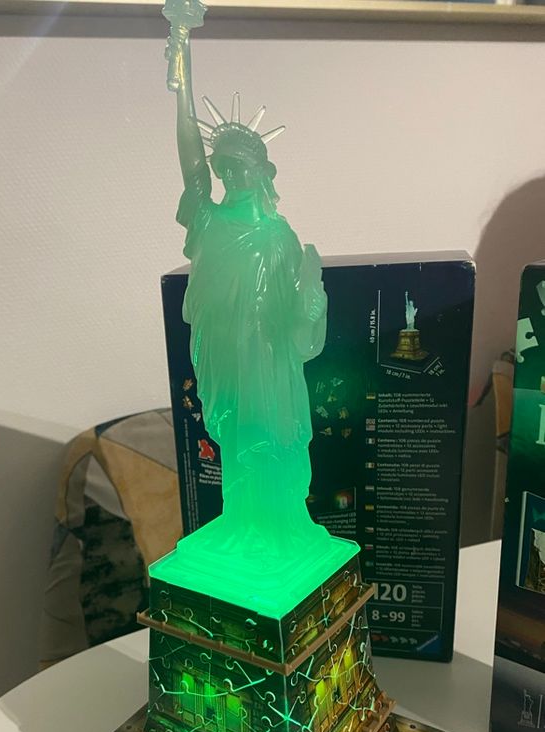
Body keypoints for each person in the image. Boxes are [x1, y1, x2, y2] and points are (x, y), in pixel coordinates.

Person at [167, 32, 328, 567]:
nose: (231, 175)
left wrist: (311, 301)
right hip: (222, 355)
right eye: (224, 167)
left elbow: (298, 321)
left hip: (267, 360)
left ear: (262, 171)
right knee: (234, 439)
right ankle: (242, 524)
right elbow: (189, 158)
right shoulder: (208, 221)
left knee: (270, 439)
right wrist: (181, 65)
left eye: (241, 166)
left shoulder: (280, 236)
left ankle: (278, 526)